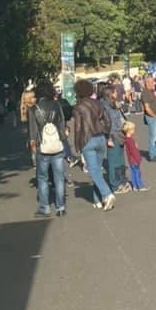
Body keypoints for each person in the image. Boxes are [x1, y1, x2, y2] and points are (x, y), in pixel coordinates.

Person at [72, 78, 115, 210]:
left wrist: (77, 145)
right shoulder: (98, 103)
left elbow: (78, 127)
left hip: (87, 139)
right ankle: (97, 199)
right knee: (98, 169)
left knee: (93, 170)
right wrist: (106, 134)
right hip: (100, 137)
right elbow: (108, 121)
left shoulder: (78, 107)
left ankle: (107, 194)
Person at [28, 82, 67, 218]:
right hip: (57, 146)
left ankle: (45, 208)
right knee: (59, 177)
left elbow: (32, 133)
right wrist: (62, 139)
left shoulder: (33, 109)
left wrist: (33, 148)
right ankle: (61, 207)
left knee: (42, 178)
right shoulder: (57, 105)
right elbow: (62, 124)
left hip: (42, 147)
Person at [101, 86, 130, 194]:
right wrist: (108, 138)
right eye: (114, 92)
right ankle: (115, 184)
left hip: (120, 133)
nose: (117, 93)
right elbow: (106, 124)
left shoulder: (114, 104)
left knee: (120, 159)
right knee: (113, 161)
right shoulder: (104, 106)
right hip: (112, 135)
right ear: (110, 94)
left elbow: (121, 117)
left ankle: (121, 180)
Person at [123, 121, 148, 191]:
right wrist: (138, 159)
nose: (134, 131)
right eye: (133, 129)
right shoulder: (130, 140)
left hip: (130, 160)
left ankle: (134, 186)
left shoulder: (126, 139)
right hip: (134, 160)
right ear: (129, 130)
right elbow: (134, 151)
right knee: (137, 173)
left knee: (133, 173)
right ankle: (140, 186)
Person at [141, 75, 156, 162]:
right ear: (146, 83)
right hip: (152, 117)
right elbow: (146, 107)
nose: (153, 83)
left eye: (153, 81)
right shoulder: (145, 92)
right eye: (151, 82)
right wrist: (153, 115)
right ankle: (152, 155)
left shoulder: (151, 91)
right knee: (153, 137)